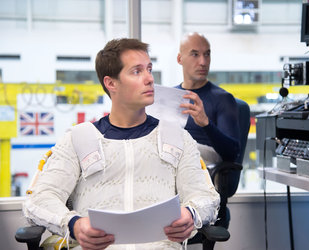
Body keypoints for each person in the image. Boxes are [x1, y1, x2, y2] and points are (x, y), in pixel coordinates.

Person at [23, 38, 220, 250]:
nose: (149, 79)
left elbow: (206, 196)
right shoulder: (79, 138)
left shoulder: (177, 137)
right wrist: (73, 224)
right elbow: (38, 199)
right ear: (111, 83)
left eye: (149, 69)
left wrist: (191, 213)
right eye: (137, 71)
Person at [175, 32, 241, 166]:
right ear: (180, 59)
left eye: (207, 54)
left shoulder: (223, 99)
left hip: (203, 166)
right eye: (195, 54)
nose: (203, 62)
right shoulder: (171, 96)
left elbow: (232, 154)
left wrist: (206, 123)